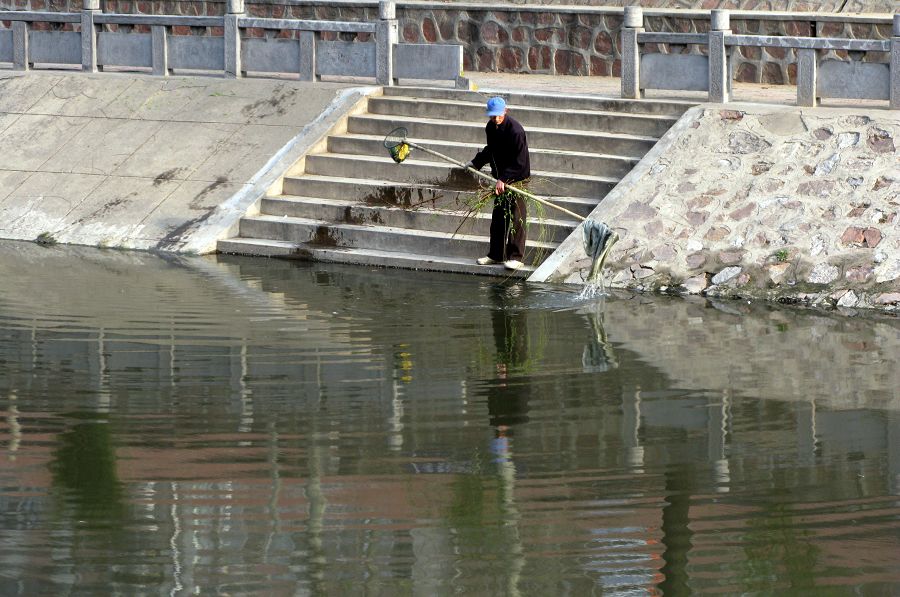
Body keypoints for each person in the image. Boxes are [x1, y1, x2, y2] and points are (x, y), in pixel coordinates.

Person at [466, 97, 531, 271]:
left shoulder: (516, 131)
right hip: (500, 181)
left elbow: (520, 161)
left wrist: (505, 179)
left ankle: (516, 257)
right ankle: (496, 255)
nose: (496, 119)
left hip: (517, 180)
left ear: (505, 111)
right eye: (492, 116)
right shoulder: (490, 128)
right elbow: (491, 150)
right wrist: (476, 162)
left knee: (517, 218)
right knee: (498, 219)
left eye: (498, 116)